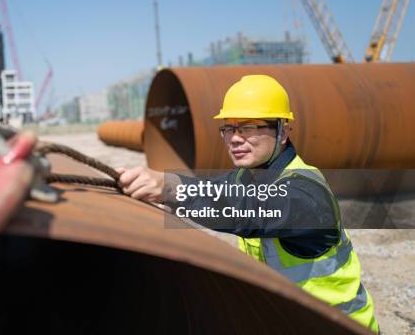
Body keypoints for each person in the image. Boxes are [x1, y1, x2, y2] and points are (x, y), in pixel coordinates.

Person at [117, 74, 379, 333]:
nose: (235, 138)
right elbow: (217, 191)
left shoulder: (306, 193)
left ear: (283, 131)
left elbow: (250, 210)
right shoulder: (247, 177)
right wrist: (161, 190)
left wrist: (172, 188)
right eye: (229, 128)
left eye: (249, 127)